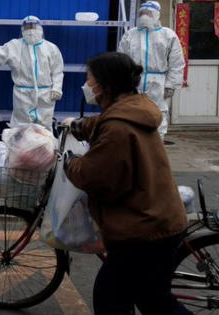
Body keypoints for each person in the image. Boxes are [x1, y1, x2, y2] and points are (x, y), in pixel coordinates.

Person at [61, 52, 190, 315]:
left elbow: (93, 176)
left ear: (104, 86)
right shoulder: (133, 107)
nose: (87, 85)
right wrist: (77, 125)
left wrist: (69, 162)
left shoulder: (118, 127)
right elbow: (102, 123)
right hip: (159, 216)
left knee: (112, 300)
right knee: (154, 300)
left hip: (142, 227)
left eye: (89, 79)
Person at [118, 0, 185, 139]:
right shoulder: (130, 35)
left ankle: (156, 149)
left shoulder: (168, 35)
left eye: (148, 13)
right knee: (132, 114)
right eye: (141, 13)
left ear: (156, 15)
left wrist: (171, 85)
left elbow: (176, 62)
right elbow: (121, 61)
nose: (144, 16)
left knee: (157, 114)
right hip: (134, 82)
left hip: (158, 83)